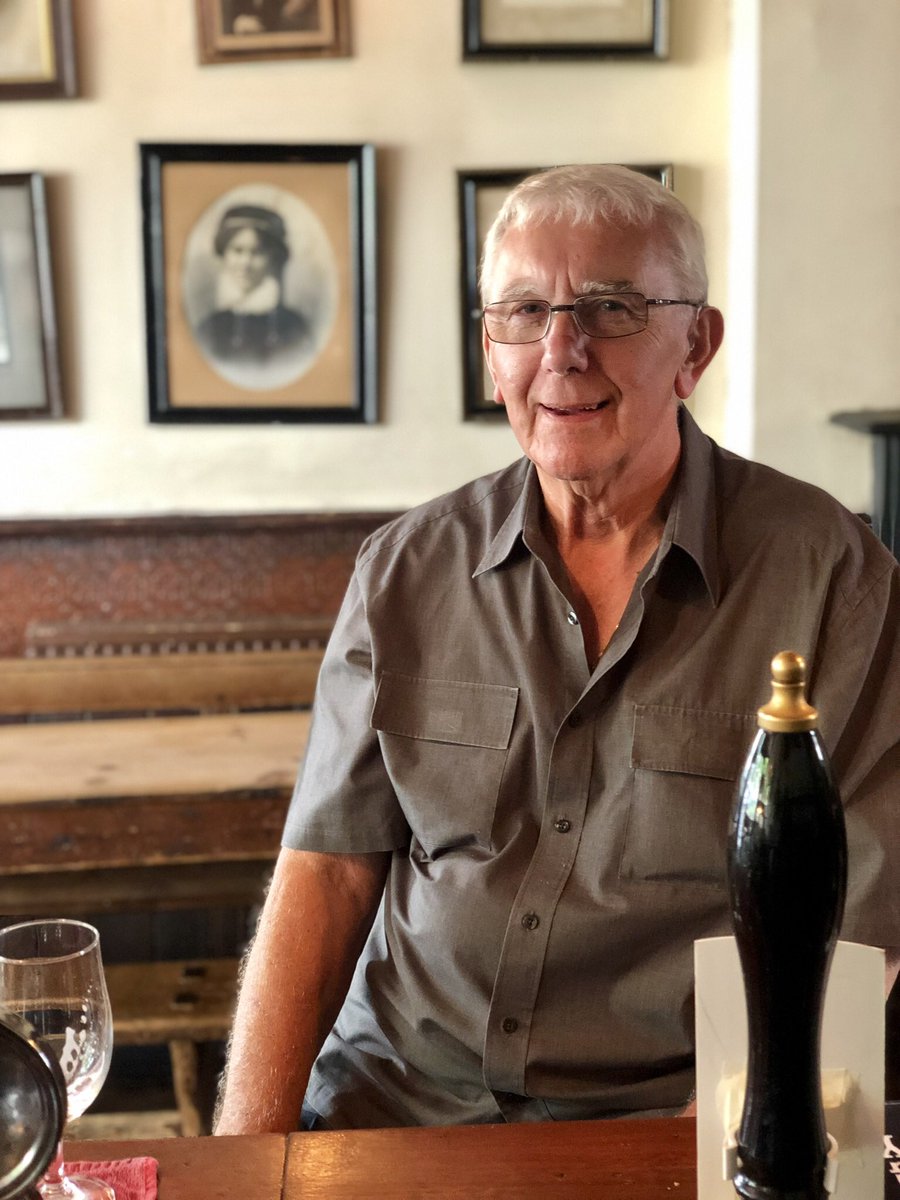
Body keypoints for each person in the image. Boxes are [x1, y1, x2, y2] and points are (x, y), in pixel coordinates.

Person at [215, 164, 900, 1134]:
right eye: (524, 313)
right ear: (491, 355)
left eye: (612, 309)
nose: (561, 352)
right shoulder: (404, 571)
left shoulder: (831, 577)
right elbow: (325, 875)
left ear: (695, 346)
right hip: (395, 1106)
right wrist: (246, 1155)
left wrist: (733, 1148)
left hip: (667, 1124)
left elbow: (864, 924)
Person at [194, 203, 309, 366]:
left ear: (272, 259)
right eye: (237, 250)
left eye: (257, 252)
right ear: (224, 256)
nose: (245, 263)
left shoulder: (293, 327)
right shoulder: (208, 329)